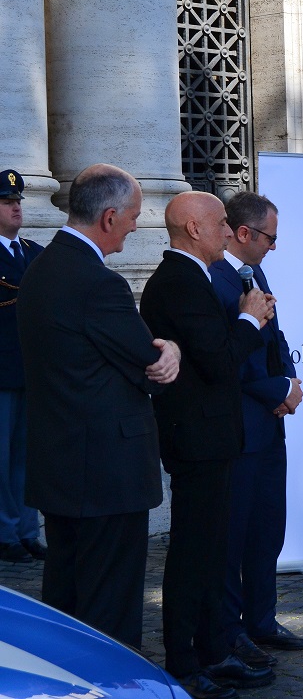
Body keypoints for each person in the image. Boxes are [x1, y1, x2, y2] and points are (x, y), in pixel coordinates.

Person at [17, 163, 181, 648]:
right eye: (132, 215)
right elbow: (149, 365)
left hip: (63, 465)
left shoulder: (42, 267)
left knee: (66, 598)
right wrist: (169, 347)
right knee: (108, 608)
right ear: (109, 218)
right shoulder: (97, 282)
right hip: (106, 472)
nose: (136, 225)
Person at [141, 191, 275, 699]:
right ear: (194, 229)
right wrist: (248, 319)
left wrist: (245, 319)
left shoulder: (194, 277)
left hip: (213, 437)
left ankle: (214, 650)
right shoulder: (176, 281)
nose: (228, 231)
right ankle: (184, 659)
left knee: (213, 550)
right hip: (195, 439)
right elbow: (218, 360)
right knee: (194, 553)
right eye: (220, 223)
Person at [209, 192, 303, 667]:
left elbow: (274, 335)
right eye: (271, 237)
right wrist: (277, 389)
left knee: (266, 530)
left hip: (269, 425)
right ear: (246, 233)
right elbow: (230, 356)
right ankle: (232, 633)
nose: (275, 247)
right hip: (241, 425)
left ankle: (262, 620)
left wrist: (290, 381)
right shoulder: (214, 277)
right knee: (234, 536)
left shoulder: (254, 271)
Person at [0, 169, 46, 563]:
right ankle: (5, 532)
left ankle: (28, 531)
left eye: (17, 201)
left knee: (28, 459)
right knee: (0, 459)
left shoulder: (34, 252)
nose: (16, 207)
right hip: (1, 374)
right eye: (7, 202)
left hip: (32, 371)